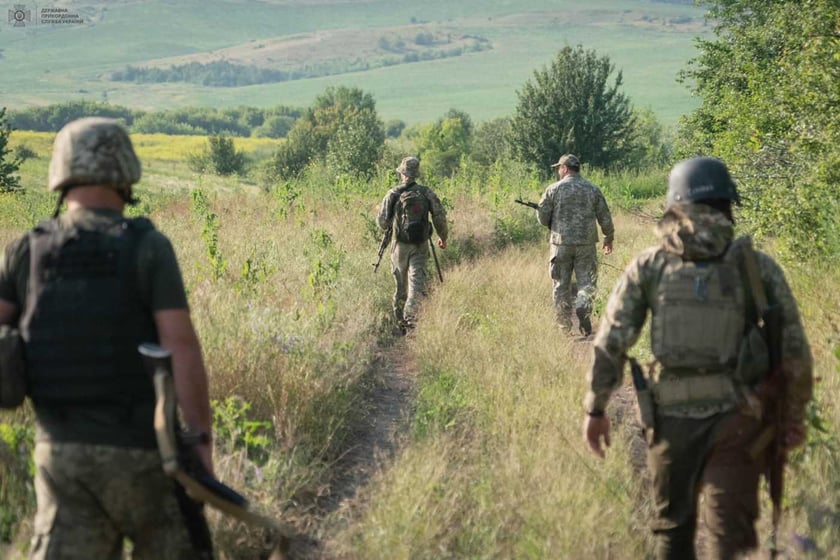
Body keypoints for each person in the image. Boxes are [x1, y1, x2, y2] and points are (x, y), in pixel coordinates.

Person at [0, 117, 215, 559]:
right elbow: (181, 347)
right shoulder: (147, 247)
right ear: (124, 171)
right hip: (146, 456)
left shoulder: (26, 250)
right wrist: (199, 442)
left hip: (61, 456)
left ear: (60, 173)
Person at [582, 156, 814, 559]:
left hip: (670, 422)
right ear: (728, 205)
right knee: (729, 540)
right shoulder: (756, 267)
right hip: (740, 421)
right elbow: (794, 351)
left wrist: (596, 408)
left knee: (672, 534)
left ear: (675, 206)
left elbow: (611, 342)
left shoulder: (650, 266)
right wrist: (792, 417)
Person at [537, 154, 614, 335]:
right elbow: (605, 217)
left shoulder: (553, 189)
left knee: (560, 285)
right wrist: (608, 238)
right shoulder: (592, 189)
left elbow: (542, 218)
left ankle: (564, 327)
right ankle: (583, 306)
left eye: (559, 168)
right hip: (586, 244)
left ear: (564, 169)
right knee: (586, 281)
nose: (558, 171)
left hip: (560, 244)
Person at [377, 156, 448, 332]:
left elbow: (382, 223)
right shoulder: (426, 193)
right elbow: (439, 217)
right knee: (416, 283)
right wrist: (443, 237)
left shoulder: (392, 194)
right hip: (420, 245)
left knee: (401, 285)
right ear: (416, 174)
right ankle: (412, 319)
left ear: (402, 173)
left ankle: (401, 320)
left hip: (399, 246)